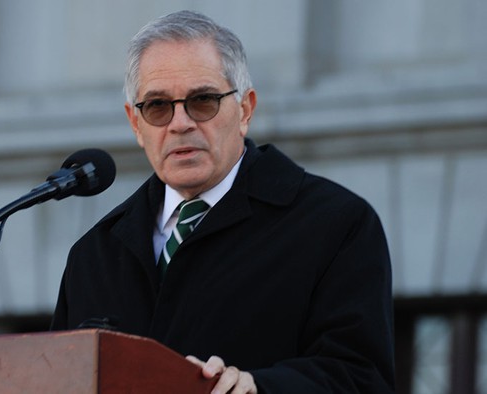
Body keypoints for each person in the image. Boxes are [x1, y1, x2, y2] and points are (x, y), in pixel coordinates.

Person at [50, 10, 394, 393]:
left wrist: (257, 387)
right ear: (136, 123)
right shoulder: (95, 254)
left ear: (245, 109)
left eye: (203, 101)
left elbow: (362, 378)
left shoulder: (335, 224)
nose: (180, 123)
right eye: (159, 107)